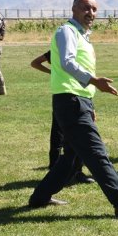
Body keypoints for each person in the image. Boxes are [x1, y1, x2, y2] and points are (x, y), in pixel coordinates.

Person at [28, 0, 118, 218]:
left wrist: (90, 101)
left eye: (95, 9)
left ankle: (40, 197)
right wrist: (95, 81)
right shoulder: (67, 31)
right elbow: (67, 62)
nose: (91, 13)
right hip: (70, 100)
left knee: (71, 158)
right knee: (96, 152)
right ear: (74, 8)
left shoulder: (84, 36)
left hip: (78, 100)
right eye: (86, 8)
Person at [30, 51, 94, 184]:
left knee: (79, 137)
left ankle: (77, 172)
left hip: (80, 96)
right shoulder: (58, 50)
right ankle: (55, 171)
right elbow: (35, 63)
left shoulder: (80, 51)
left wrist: (91, 105)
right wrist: (51, 72)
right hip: (63, 96)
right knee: (58, 136)